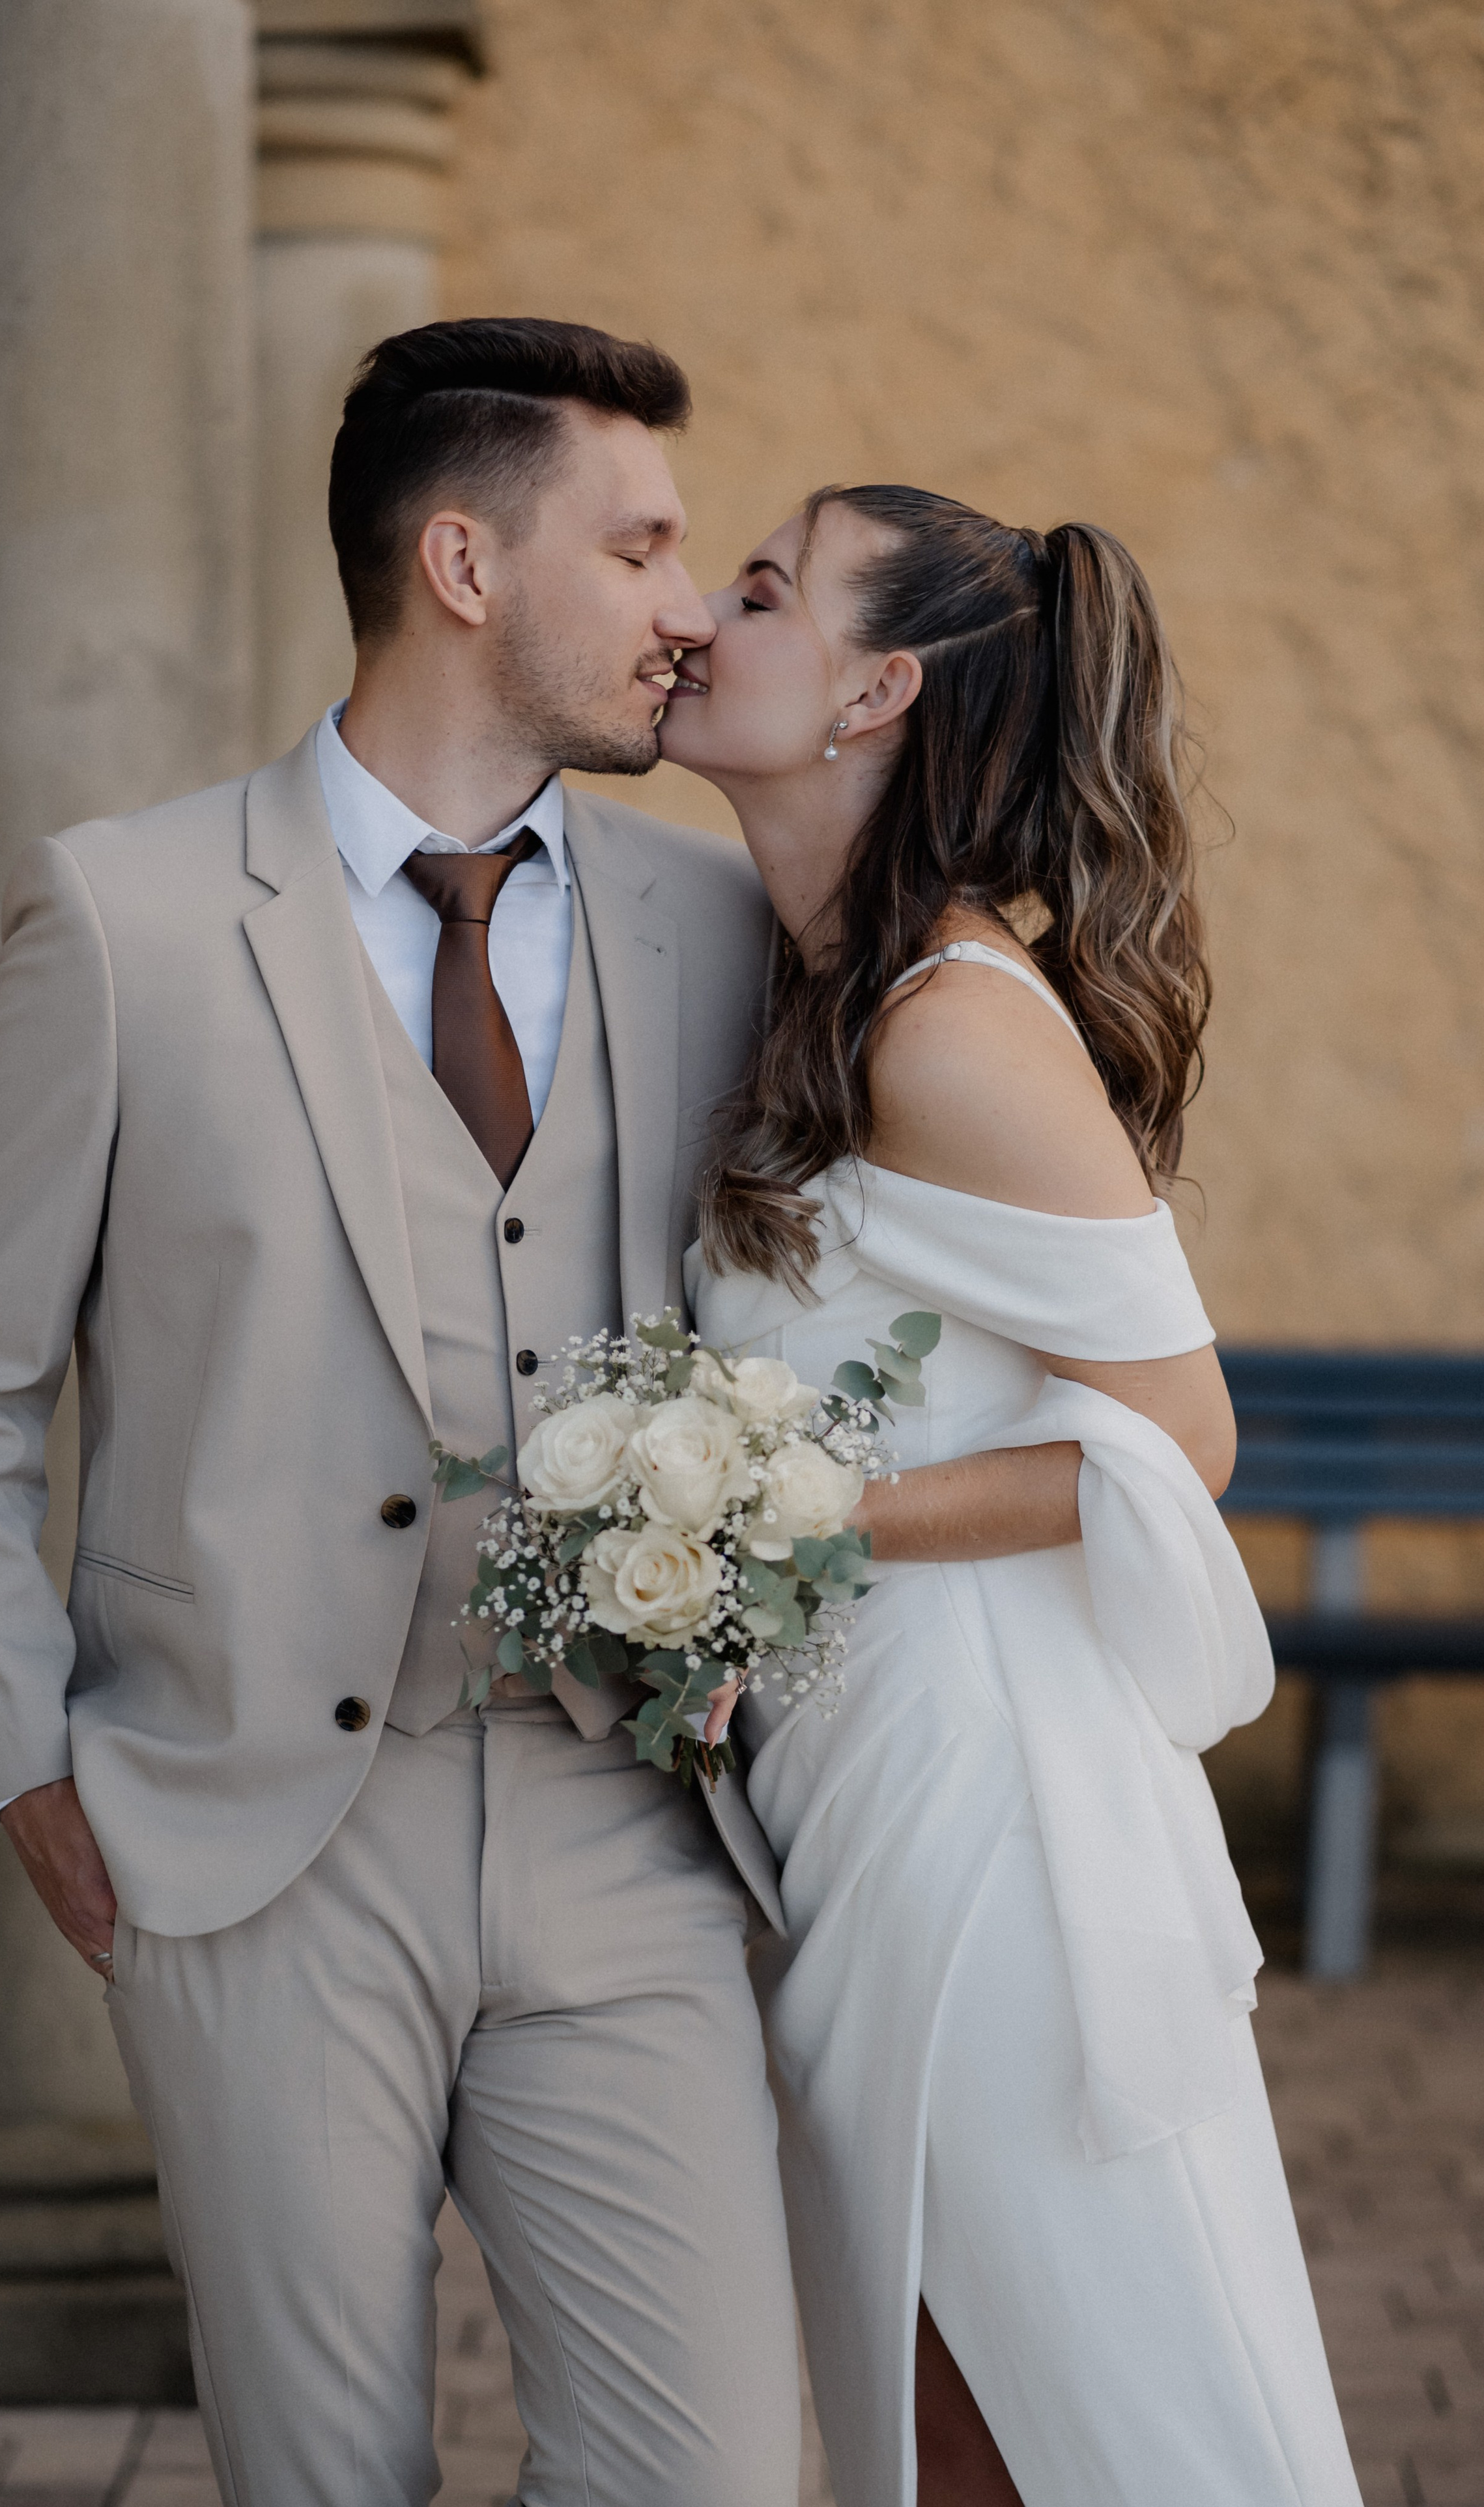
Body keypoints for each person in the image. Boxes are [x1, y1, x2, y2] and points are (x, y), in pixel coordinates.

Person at [0, 317, 803, 2507]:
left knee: (712, 2478)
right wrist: (28, 1773)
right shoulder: (128, 915)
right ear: (463, 565)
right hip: (254, 1843)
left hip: (623, 1825)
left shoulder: (716, 918)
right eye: (641, 547)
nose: (686, 609)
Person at [663, 485, 1363, 2506]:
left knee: (1047, 2400)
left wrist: (795, 1525)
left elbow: (1181, 1435)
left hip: (987, 1809)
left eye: (763, 590)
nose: (704, 614)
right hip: (864, 1787)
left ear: (876, 691)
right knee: (939, 2399)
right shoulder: (814, 988)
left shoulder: (952, 1027)